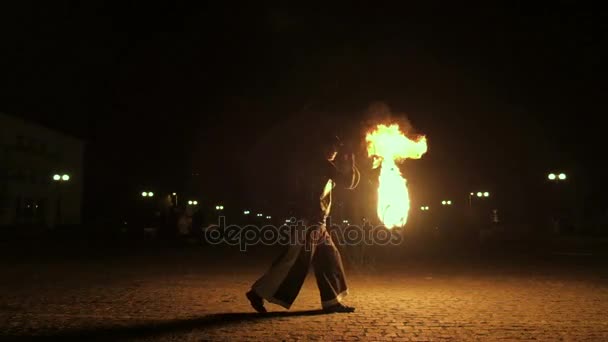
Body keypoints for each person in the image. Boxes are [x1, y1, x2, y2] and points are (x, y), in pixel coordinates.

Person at [246, 136, 357, 313]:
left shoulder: (318, 164)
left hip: (317, 223)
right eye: (332, 146)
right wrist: (350, 161)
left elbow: (345, 182)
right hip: (308, 221)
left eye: (336, 148)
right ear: (323, 147)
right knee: (292, 261)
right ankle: (257, 293)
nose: (334, 151)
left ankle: (332, 302)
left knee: (330, 259)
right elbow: (348, 183)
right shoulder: (321, 164)